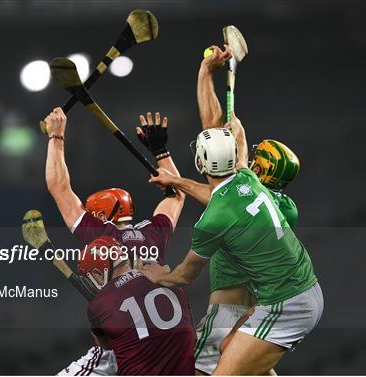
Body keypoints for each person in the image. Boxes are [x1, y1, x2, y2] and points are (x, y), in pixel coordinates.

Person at [140, 113, 323, 375]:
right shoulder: (248, 179)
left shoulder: (212, 221)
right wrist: (237, 126)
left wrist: (159, 276)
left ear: (201, 164)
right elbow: (238, 158)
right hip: (301, 290)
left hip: (287, 304)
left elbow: (185, 275)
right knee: (229, 347)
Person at [169, 44, 301, 375]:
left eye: (256, 161)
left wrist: (205, 72)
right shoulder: (280, 205)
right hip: (258, 309)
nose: (248, 161)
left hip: (230, 309)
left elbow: (212, 132)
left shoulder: (239, 197)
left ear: (263, 172)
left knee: (198, 369)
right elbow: (217, 131)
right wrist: (206, 76)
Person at [45, 109, 188, 375]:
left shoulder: (100, 235)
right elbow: (177, 194)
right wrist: (161, 151)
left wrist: (56, 137)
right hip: (159, 347)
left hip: (117, 348)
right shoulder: (153, 234)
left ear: (100, 214)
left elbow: (59, 187)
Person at [67, 236, 196, 375]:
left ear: (98, 274)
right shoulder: (170, 282)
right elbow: (191, 335)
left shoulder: (100, 304)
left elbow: (104, 349)